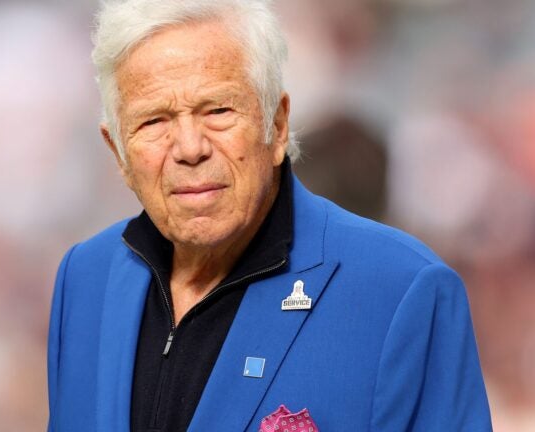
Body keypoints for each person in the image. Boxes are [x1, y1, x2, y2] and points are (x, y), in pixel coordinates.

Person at [46, 0, 492, 431]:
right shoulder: (84, 279)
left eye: (218, 110)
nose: (189, 148)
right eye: (153, 122)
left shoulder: (402, 289)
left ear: (276, 125)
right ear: (118, 152)